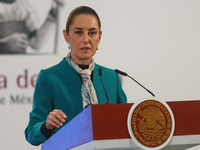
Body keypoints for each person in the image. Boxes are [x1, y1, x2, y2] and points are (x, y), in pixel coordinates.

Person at [25, 6, 127, 146]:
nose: (86, 40)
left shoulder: (111, 77)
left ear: (99, 36)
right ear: (66, 36)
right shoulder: (49, 77)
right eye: (78, 32)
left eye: (92, 33)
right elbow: (31, 133)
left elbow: (125, 125)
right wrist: (46, 126)